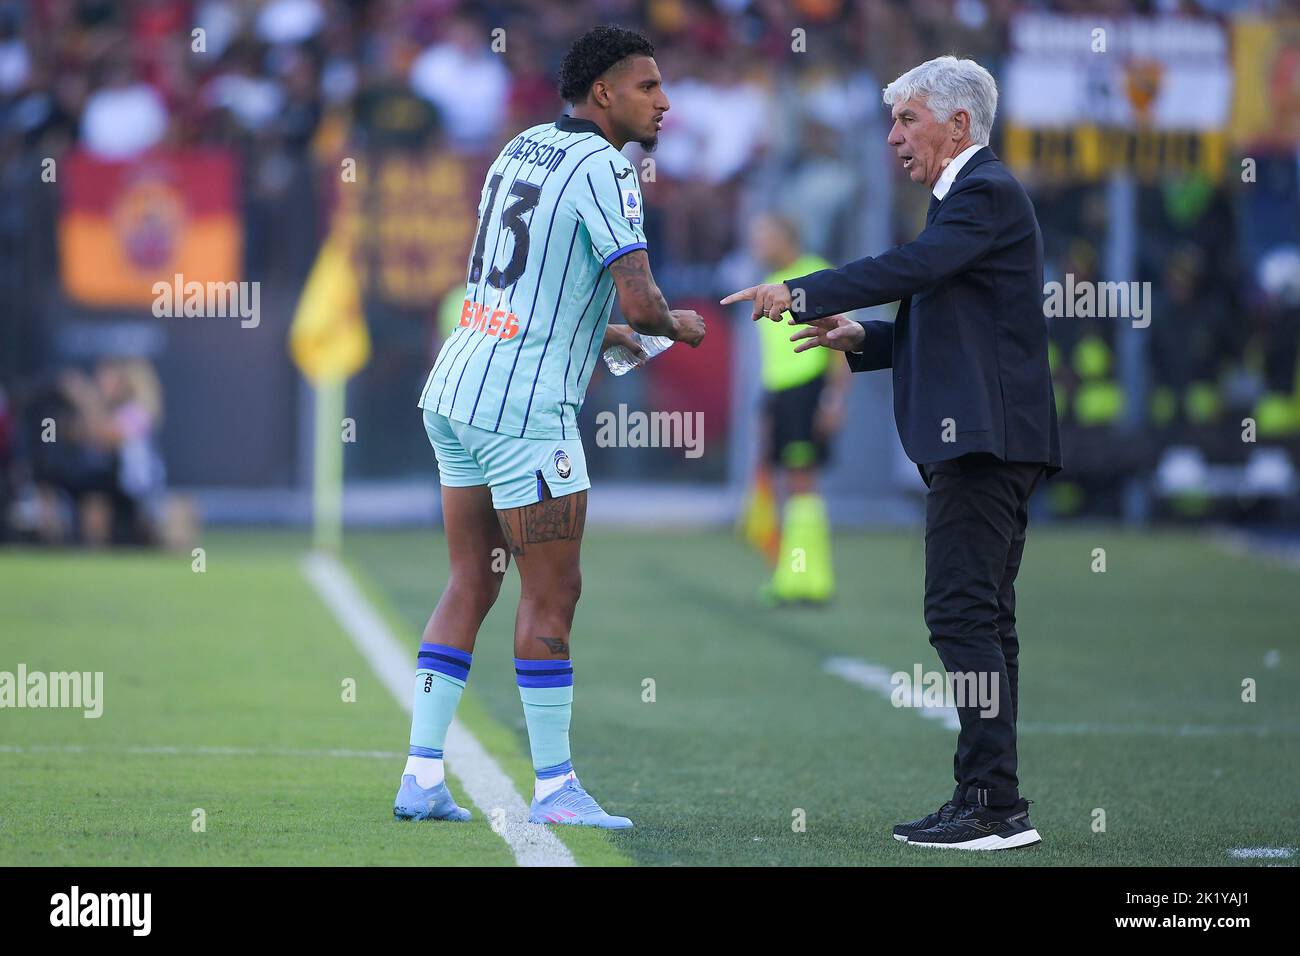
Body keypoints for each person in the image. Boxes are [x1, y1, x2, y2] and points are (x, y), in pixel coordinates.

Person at [723, 56, 1061, 850]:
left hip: (986, 441)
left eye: (908, 120)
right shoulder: (967, 204)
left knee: (960, 612)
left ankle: (991, 803)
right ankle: (990, 795)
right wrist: (862, 336)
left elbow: (913, 269)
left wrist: (804, 290)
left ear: (958, 125)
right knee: (982, 617)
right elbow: (946, 312)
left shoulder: (985, 192)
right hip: (985, 437)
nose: (893, 136)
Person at [396, 25, 705, 829]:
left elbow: (516, 280)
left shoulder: (520, 146)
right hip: (524, 412)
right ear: (603, 92)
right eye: (648, 86)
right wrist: (681, 327)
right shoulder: (610, 167)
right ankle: (557, 788)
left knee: (471, 580)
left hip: (459, 385)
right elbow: (640, 300)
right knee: (554, 593)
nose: (664, 101)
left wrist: (596, 331)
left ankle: (421, 777)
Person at [742, 212, 849, 605]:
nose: (758, 245)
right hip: (778, 395)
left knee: (802, 484)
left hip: (807, 391)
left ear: (785, 237)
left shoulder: (813, 274)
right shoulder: (769, 284)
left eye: (764, 236)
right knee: (786, 485)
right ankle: (793, 574)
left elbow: (838, 339)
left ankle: (809, 579)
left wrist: (833, 399)